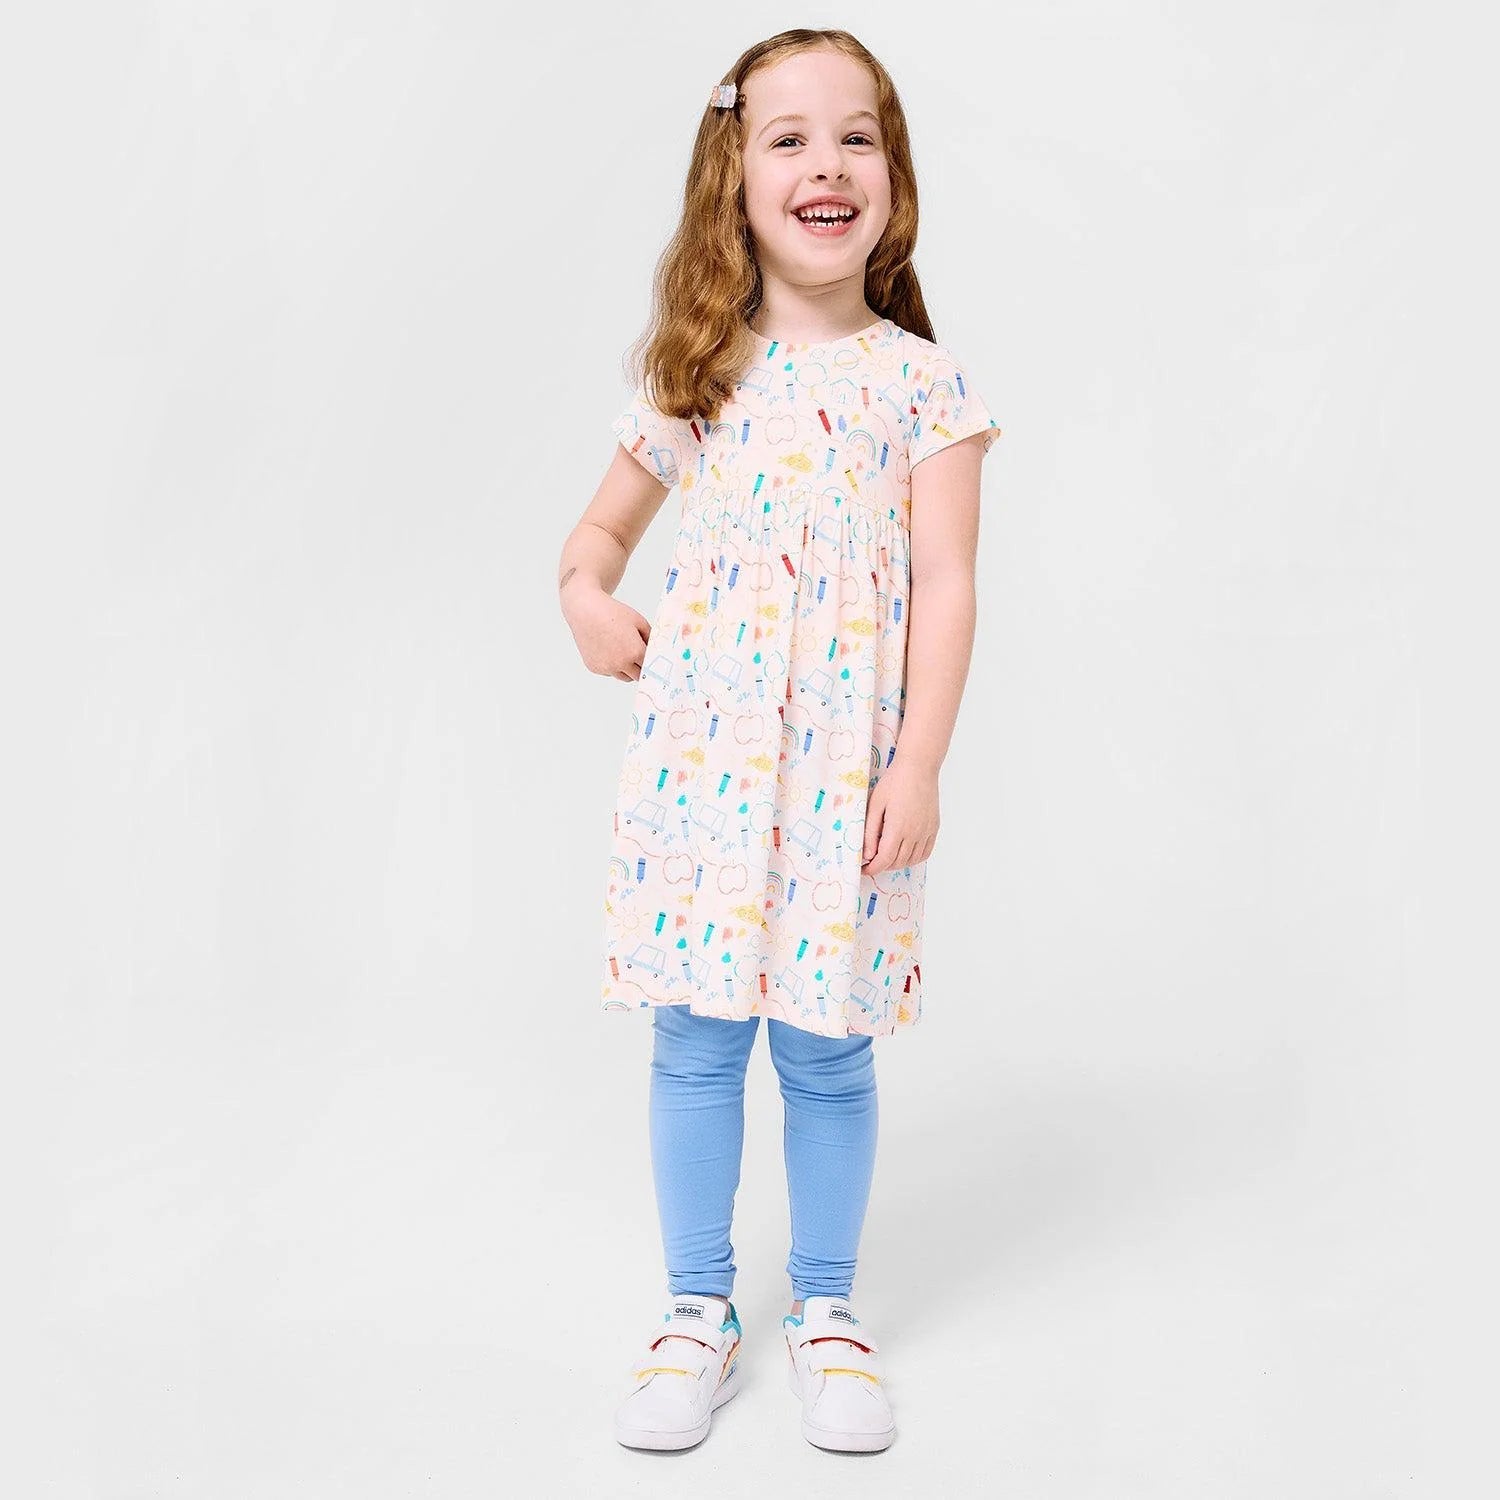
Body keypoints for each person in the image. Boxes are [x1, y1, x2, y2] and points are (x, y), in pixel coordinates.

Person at [557, 29, 1002, 1455]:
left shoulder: (923, 386)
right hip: (705, 774)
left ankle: (827, 1309)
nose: (828, 164)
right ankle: (697, 1309)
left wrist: (918, 764)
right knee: (695, 1042)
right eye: (790, 138)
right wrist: (585, 598)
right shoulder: (700, 374)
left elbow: (949, 586)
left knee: (826, 1047)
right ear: (733, 178)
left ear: (894, 178)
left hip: (843, 785)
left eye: (857, 137)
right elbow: (596, 536)